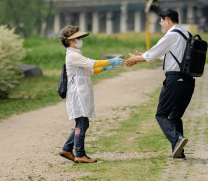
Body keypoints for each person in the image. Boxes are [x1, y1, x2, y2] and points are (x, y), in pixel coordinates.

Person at [123, 9, 194, 159]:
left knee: (161, 114)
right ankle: (179, 152)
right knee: (175, 116)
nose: (161, 24)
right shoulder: (186, 35)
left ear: (167, 19)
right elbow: (172, 57)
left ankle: (177, 139)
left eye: (161, 21)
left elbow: (151, 55)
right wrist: (145, 56)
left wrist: (136, 59)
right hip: (188, 81)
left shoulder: (170, 36)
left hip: (174, 79)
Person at [58, 25, 123, 164]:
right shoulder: (73, 55)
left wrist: (105, 67)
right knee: (81, 123)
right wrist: (110, 61)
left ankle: (67, 148)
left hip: (79, 92)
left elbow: (90, 70)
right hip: (77, 94)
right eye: (78, 38)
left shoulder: (76, 54)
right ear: (70, 41)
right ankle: (80, 154)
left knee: (82, 123)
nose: (80, 40)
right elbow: (91, 63)